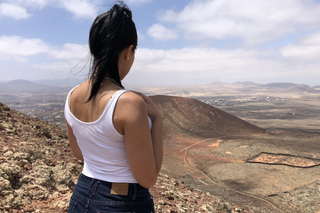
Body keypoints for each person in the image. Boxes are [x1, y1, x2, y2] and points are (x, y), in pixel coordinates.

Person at [64, 2, 163, 212]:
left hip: (81, 196)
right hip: (123, 203)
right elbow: (148, 178)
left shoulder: (72, 96)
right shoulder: (128, 102)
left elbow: (80, 154)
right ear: (128, 52)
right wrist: (158, 121)